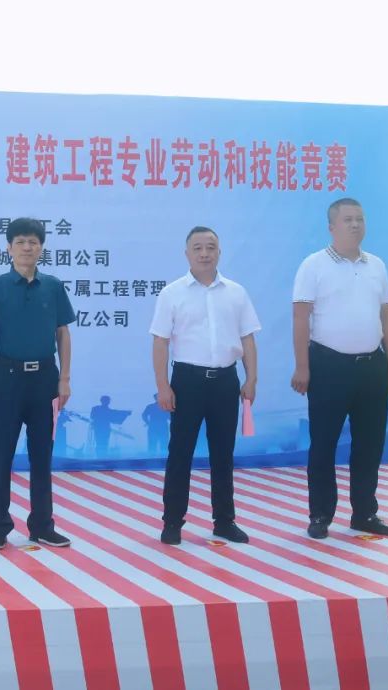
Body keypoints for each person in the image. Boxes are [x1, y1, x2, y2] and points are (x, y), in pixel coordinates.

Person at [291, 198, 388, 540]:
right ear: (332, 227)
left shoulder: (376, 265)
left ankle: (365, 513)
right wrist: (302, 366)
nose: (355, 225)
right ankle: (320, 514)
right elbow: (300, 318)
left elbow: (387, 316)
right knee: (323, 443)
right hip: (328, 365)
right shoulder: (313, 265)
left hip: (372, 365)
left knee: (369, 444)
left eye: (360, 219)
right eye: (348, 219)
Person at [150, 226, 260, 546]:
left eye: (210, 247)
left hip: (226, 381)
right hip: (187, 382)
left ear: (219, 252)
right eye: (197, 248)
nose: (204, 253)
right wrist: (163, 386)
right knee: (180, 453)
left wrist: (251, 379)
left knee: (223, 454)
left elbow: (247, 339)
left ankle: (224, 521)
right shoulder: (172, 293)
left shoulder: (236, 292)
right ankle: (173, 522)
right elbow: (160, 341)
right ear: (187, 254)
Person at [0, 217, 74, 550]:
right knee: (0, 454)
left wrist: (64, 379)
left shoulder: (53, 287)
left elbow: (63, 333)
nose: (27, 247)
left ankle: (42, 526)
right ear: (9, 248)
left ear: (42, 247)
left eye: (33, 242)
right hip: (6, 379)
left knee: (42, 455)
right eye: (20, 242)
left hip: (45, 379)